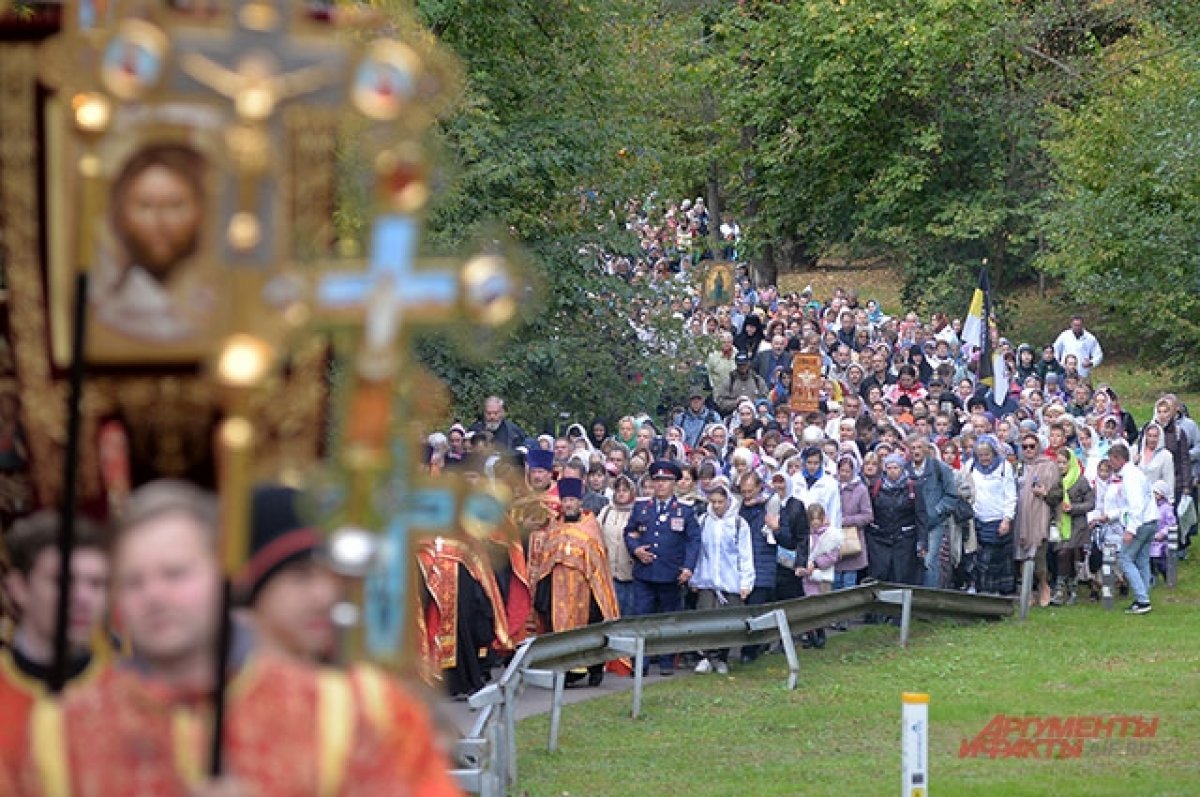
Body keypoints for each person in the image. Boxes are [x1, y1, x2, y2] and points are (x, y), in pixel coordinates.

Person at [13, 480, 461, 797]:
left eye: (175, 573)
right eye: (133, 581)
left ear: (222, 576)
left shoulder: (354, 713)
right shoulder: (59, 733)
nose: (155, 595)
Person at [1, 512, 109, 774]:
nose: (83, 598)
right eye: (63, 582)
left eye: (96, 584)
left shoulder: (134, 700)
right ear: (19, 588)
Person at [92, 143, 214, 343]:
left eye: (175, 205)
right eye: (145, 205)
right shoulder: (103, 304)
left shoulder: (218, 301)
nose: (160, 222)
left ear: (201, 212)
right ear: (121, 214)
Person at [529, 478, 619, 687]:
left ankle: (595, 669)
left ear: (580, 502)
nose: (568, 504)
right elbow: (545, 561)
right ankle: (565, 672)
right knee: (557, 629)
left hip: (585, 590)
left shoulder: (590, 527)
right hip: (557, 591)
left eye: (572, 500)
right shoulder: (555, 528)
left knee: (590, 627)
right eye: (565, 500)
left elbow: (598, 562)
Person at [240, 485, 341, 663]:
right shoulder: (211, 688)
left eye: (333, 575)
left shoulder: (362, 688)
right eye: (301, 576)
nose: (326, 596)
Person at [624, 460, 701, 676]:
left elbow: (694, 540)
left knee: (669, 619)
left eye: (665, 481)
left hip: (671, 573)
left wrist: (688, 567)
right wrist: (636, 549)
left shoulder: (684, 510)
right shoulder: (642, 507)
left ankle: (667, 661)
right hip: (644, 573)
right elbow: (629, 532)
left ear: (674, 483)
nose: (660, 485)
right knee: (641, 619)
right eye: (657, 480)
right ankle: (641, 662)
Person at [690, 481, 753, 675]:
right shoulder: (703, 521)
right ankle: (705, 656)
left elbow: (745, 554)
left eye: (720, 502)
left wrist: (745, 582)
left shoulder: (738, 524)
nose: (717, 506)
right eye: (713, 502)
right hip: (708, 579)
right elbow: (699, 552)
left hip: (730, 579)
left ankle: (722, 657)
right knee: (705, 619)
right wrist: (695, 578)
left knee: (728, 621)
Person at [1107, 443, 1160, 614]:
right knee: (1142, 560)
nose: (1110, 464)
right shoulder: (1135, 473)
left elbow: (1136, 505)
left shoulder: (1130, 477)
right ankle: (1143, 596)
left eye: (1111, 460)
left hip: (1141, 522)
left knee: (1125, 558)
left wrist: (1131, 529)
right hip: (1151, 520)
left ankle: (1142, 600)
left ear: (1119, 459)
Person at [1043, 448, 1095, 605]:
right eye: (1058, 462)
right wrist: (1046, 494)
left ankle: (1061, 589)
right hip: (1060, 524)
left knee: (1065, 553)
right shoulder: (1056, 480)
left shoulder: (1080, 480)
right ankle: (1069, 588)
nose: (1060, 466)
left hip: (1077, 525)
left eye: (1064, 463)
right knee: (1064, 554)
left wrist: (1073, 508)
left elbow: (1091, 503)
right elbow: (1052, 500)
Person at [968, 437, 1018, 595]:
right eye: (980, 455)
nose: (984, 458)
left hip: (997, 519)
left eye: (987, 455)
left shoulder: (1004, 467)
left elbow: (1011, 494)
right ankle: (979, 587)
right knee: (978, 557)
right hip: (976, 518)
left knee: (993, 558)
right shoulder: (970, 466)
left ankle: (996, 590)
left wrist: (1007, 519)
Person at [865, 454, 925, 586]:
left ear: (902, 468)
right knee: (879, 575)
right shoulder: (875, 488)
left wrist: (922, 541)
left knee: (902, 576)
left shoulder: (913, 488)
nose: (892, 471)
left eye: (896, 467)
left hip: (905, 539)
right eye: (889, 467)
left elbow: (920, 515)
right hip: (879, 539)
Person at [907, 436, 958, 588]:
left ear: (927, 450)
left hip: (933, 524)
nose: (916, 451)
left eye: (919, 448)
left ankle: (929, 601)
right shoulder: (904, 469)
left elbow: (951, 495)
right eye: (913, 448)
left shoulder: (940, 468)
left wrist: (937, 511)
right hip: (912, 525)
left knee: (929, 562)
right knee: (912, 563)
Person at [1016, 432, 1060, 607]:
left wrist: (1045, 493)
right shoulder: (1017, 466)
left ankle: (1044, 585)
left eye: (1031, 446)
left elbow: (1058, 493)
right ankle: (1027, 590)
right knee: (1021, 555)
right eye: (1024, 446)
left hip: (1040, 515)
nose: (1028, 450)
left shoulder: (1049, 466)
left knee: (1038, 555)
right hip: (1020, 515)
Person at [794, 503, 842, 649]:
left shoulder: (831, 536)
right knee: (807, 607)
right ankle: (810, 635)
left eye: (817, 519)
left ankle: (821, 634)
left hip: (821, 576)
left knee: (819, 607)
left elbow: (832, 557)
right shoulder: (806, 535)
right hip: (807, 577)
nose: (815, 522)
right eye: (812, 519)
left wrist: (815, 564)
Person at [598, 476, 638, 617]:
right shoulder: (606, 512)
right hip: (609, 576)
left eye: (625, 490)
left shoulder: (638, 512)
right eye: (618, 490)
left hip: (632, 577)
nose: (621, 493)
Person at [834, 455, 872, 591]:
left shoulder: (860, 489)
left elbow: (868, 516)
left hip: (852, 541)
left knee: (849, 584)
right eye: (841, 470)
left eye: (847, 471)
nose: (843, 474)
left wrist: (846, 520)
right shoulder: (832, 486)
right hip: (834, 540)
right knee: (835, 584)